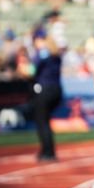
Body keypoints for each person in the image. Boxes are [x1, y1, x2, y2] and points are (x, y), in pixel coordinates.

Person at [31, 32, 63, 161]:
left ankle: (47, 152)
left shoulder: (43, 53)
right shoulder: (56, 54)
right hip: (56, 90)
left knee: (42, 122)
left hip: (44, 90)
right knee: (46, 121)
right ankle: (48, 150)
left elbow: (32, 70)